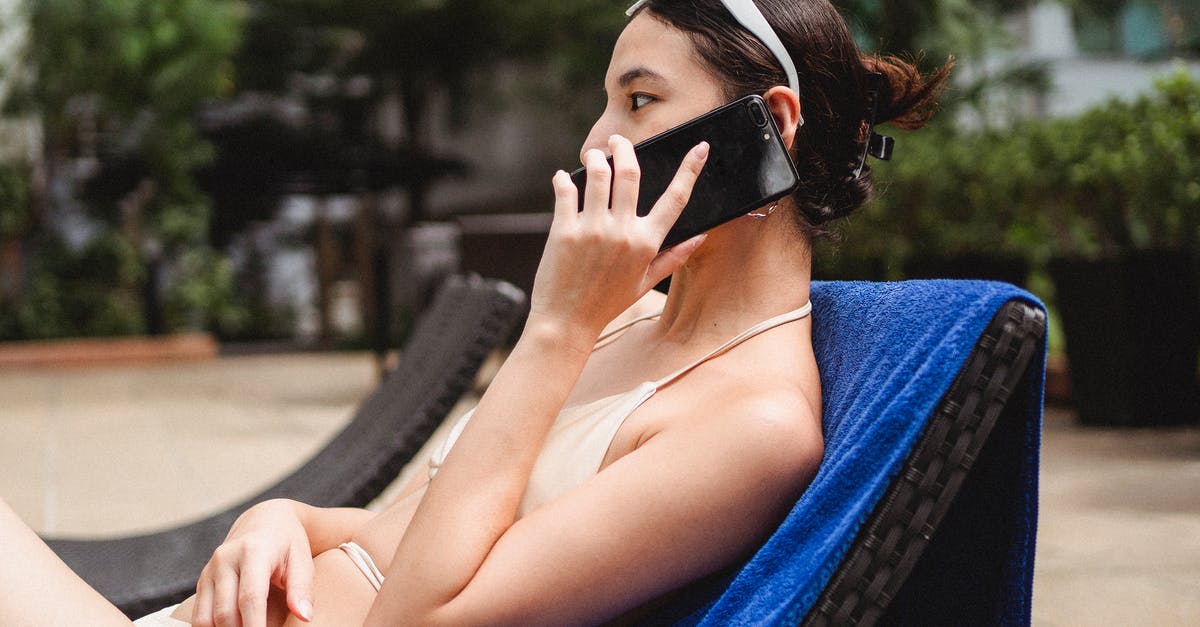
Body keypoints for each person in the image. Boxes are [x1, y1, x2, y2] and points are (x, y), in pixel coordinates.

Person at [0, 1, 951, 625]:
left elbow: (417, 619)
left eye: (639, 99)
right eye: (605, 103)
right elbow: (388, 533)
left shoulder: (752, 426)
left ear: (770, 127)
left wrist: (553, 329)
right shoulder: (626, 325)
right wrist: (279, 517)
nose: (596, 141)